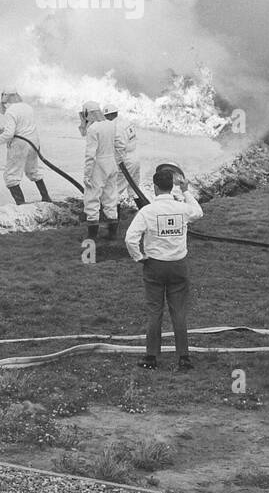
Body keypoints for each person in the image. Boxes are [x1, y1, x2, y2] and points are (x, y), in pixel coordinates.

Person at [123, 164, 204, 371]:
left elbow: (131, 238)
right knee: (178, 312)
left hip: (154, 265)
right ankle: (184, 357)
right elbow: (198, 213)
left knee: (154, 311)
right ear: (172, 186)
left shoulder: (147, 211)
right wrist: (186, 191)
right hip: (178, 265)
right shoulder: (182, 208)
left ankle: (151, 357)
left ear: (155, 187)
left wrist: (139, 257)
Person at [0, 90, 51, 206]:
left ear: (6, 98)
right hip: (33, 142)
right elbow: (20, 126)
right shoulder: (27, 107)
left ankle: (21, 204)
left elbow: (9, 134)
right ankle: (46, 198)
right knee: (33, 171)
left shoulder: (11, 111)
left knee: (11, 176)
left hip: (20, 144)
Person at [80, 101, 119, 239]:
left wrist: (87, 175)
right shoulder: (111, 124)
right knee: (111, 197)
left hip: (99, 163)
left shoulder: (93, 129)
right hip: (111, 162)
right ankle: (112, 234)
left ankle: (92, 236)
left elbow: (90, 155)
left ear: (87, 113)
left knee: (92, 198)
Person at [104, 105, 144, 210]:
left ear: (111, 115)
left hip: (126, 160)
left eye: (106, 116)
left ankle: (114, 223)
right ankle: (146, 213)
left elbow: (120, 147)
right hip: (135, 156)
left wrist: (118, 164)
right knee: (134, 190)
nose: (105, 119)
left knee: (114, 191)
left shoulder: (115, 127)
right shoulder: (126, 122)